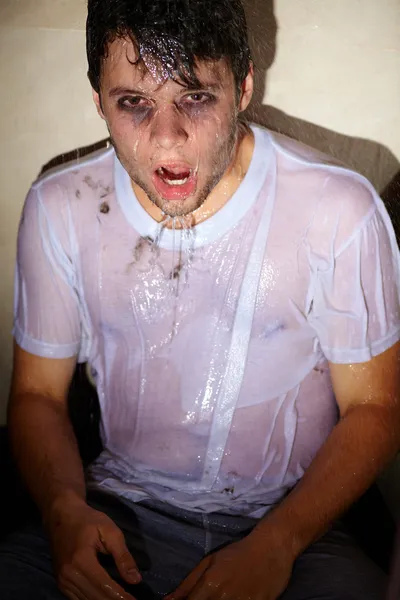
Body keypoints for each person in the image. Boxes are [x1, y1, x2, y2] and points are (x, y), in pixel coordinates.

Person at [1, 0, 400, 598]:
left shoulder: (338, 210)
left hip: (293, 525)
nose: (167, 137)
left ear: (242, 88)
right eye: (133, 102)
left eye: (195, 97)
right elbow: (34, 394)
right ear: (98, 101)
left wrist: (278, 544)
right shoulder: (63, 205)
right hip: (119, 508)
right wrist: (64, 511)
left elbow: (377, 408)